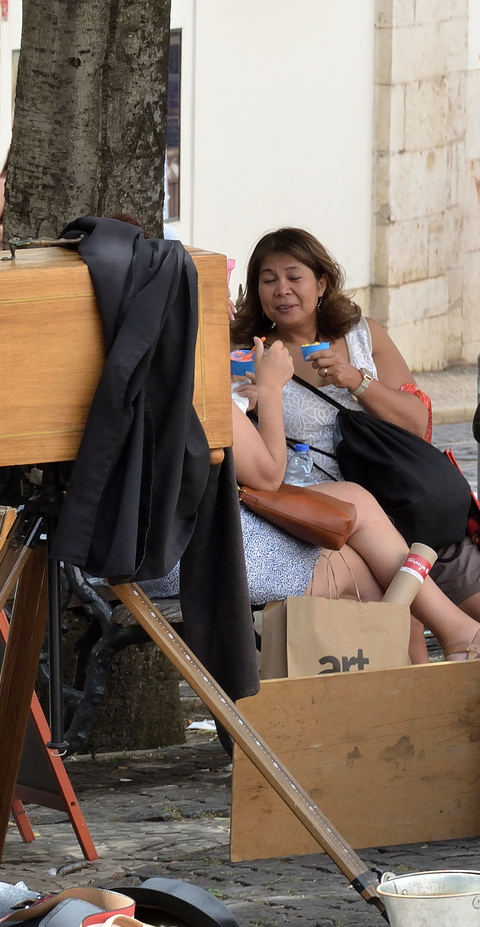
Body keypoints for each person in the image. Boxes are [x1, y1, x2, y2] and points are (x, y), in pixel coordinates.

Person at [144, 336, 480, 661]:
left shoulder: (142, 357)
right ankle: (422, 672)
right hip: (176, 552)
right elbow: (267, 475)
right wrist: (271, 388)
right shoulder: (188, 364)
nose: (230, 304)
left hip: (154, 541)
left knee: (355, 504)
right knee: (356, 565)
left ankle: (439, 652)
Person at [231, 227, 480, 618]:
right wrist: (255, 403)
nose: (282, 290)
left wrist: (356, 380)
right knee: (400, 622)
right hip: (327, 519)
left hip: (399, 499)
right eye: (268, 280)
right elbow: (251, 461)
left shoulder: (364, 335)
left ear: (322, 283)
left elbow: (416, 422)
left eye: (294, 277)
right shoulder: (245, 357)